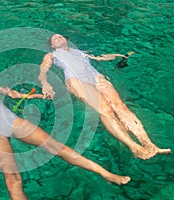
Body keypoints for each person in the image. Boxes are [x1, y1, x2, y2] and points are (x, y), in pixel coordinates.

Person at [0, 70, 131, 200]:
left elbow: (16, 95)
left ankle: (106, 174)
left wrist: (39, 96)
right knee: (13, 178)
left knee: (59, 148)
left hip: (15, 122)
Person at [38, 34, 171, 160]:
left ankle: (149, 144)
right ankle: (135, 147)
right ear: (52, 46)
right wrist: (45, 83)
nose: (58, 37)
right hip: (76, 81)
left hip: (96, 77)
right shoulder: (52, 55)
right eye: (54, 38)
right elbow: (43, 70)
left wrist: (116, 56)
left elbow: (99, 58)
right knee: (105, 110)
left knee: (121, 107)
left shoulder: (79, 52)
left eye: (60, 36)